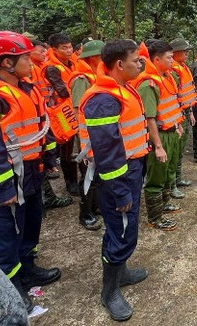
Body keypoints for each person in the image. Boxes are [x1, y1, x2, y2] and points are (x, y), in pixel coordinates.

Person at [0, 31, 60, 311]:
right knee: (6, 234)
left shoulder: (26, 88)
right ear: (6, 63)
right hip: (7, 176)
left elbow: (40, 125)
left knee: (30, 224)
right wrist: (3, 188)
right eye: (26, 57)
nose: (31, 61)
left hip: (30, 170)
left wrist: (48, 155)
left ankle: (27, 268)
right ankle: (8, 288)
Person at [78, 39, 150, 321]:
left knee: (125, 228)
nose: (141, 64)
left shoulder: (120, 88)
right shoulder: (103, 99)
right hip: (116, 175)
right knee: (120, 229)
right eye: (136, 60)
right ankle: (109, 292)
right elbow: (107, 153)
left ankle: (122, 273)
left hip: (130, 170)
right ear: (119, 64)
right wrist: (120, 192)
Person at [132, 40, 185, 230]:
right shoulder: (148, 84)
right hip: (159, 136)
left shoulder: (167, 77)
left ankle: (164, 204)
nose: (173, 61)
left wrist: (177, 125)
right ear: (156, 59)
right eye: (169, 57)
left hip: (171, 132)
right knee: (156, 176)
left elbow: (171, 106)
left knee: (169, 172)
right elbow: (150, 118)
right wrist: (158, 146)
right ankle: (155, 217)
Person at [71, 40, 105, 231]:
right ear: (93, 57)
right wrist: (85, 139)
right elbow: (78, 109)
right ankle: (85, 214)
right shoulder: (81, 79)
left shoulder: (94, 76)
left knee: (97, 173)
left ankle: (95, 205)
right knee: (88, 174)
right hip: (87, 136)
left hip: (96, 133)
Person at [42, 33, 79, 196]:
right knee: (67, 147)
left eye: (70, 46)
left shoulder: (73, 63)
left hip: (75, 108)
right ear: (54, 50)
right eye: (64, 48)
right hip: (61, 112)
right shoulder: (51, 68)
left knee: (77, 145)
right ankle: (70, 183)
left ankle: (76, 179)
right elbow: (62, 91)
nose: (69, 50)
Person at [170, 38, 197, 198]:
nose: (187, 53)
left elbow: (186, 95)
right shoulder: (173, 71)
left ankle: (178, 178)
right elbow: (173, 97)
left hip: (185, 114)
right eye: (184, 51)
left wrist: (190, 113)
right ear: (175, 53)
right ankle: (171, 184)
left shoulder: (183, 67)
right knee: (174, 152)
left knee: (180, 151)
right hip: (176, 117)